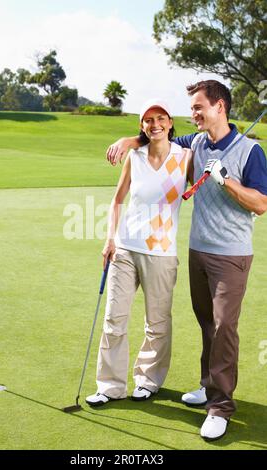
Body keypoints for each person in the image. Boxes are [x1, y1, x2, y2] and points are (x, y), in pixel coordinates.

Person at [105, 80, 267, 441]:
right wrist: (128, 141)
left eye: (199, 107)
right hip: (198, 251)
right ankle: (208, 386)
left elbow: (261, 203)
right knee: (207, 323)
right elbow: (155, 139)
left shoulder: (250, 151)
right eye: (191, 108)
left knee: (225, 326)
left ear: (220, 107)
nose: (192, 114)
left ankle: (221, 406)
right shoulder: (195, 143)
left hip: (232, 255)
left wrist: (228, 182)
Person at [86, 99, 192, 407]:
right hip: (126, 248)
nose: (154, 124)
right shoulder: (136, 155)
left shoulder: (185, 157)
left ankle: (148, 381)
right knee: (113, 318)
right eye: (148, 120)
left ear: (171, 122)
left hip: (162, 253)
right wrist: (109, 240)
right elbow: (117, 200)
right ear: (141, 127)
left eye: (160, 118)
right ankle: (110, 386)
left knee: (157, 323)